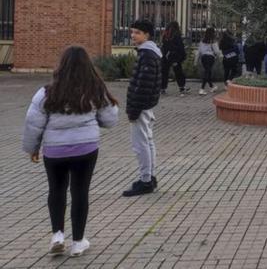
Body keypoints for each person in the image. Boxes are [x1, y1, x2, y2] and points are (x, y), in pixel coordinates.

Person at [22, 46, 119, 257]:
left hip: (54, 151)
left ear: (61, 65)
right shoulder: (95, 89)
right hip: (86, 149)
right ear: (88, 67)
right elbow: (110, 119)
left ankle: (57, 235)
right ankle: (77, 242)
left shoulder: (47, 92)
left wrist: (32, 148)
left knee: (56, 190)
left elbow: (33, 122)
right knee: (80, 192)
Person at [123, 18, 163, 197]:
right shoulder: (149, 53)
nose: (133, 35)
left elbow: (142, 86)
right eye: (132, 32)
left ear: (147, 35)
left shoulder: (147, 55)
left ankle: (146, 180)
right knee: (147, 141)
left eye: (137, 32)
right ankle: (149, 176)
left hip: (141, 107)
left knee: (141, 145)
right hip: (146, 106)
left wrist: (133, 110)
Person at [159, 21, 189, 96]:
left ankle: (162, 88)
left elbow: (163, 46)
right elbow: (180, 47)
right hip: (175, 57)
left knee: (164, 73)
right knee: (178, 73)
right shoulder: (176, 35)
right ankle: (181, 87)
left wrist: (164, 54)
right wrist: (182, 56)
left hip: (165, 57)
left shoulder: (165, 35)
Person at [197, 28, 221, 95]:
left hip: (203, 57)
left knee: (208, 71)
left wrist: (196, 60)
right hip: (210, 58)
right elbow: (217, 51)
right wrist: (218, 56)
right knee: (207, 72)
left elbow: (199, 51)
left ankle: (211, 86)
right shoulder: (213, 41)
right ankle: (202, 89)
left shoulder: (202, 40)